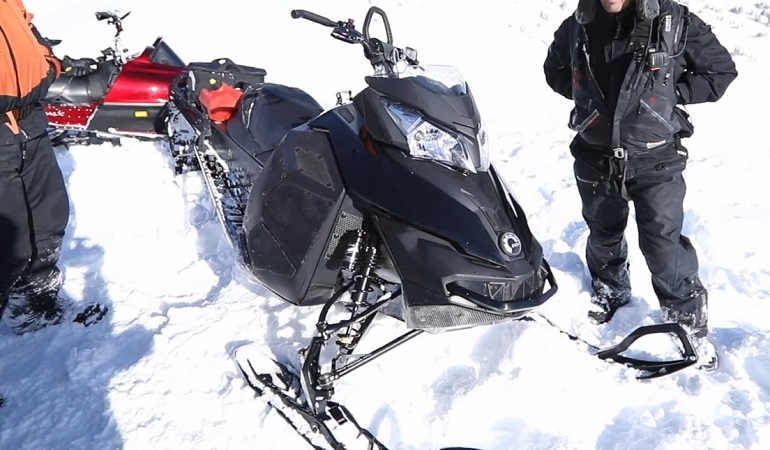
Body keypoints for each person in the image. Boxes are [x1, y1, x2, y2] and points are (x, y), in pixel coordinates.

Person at [543, 0, 737, 371]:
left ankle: (688, 322)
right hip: (595, 154)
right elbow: (555, 71)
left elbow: (720, 72)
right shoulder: (578, 24)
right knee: (603, 231)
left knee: (663, 242)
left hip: (655, 157)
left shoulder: (675, 21)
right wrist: (593, 104)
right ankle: (610, 290)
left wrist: (670, 97)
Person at [1, 0, 106, 336]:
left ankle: (36, 304)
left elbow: (25, 24)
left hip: (30, 120)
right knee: (6, 242)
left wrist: (47, 62)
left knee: (49, 219)